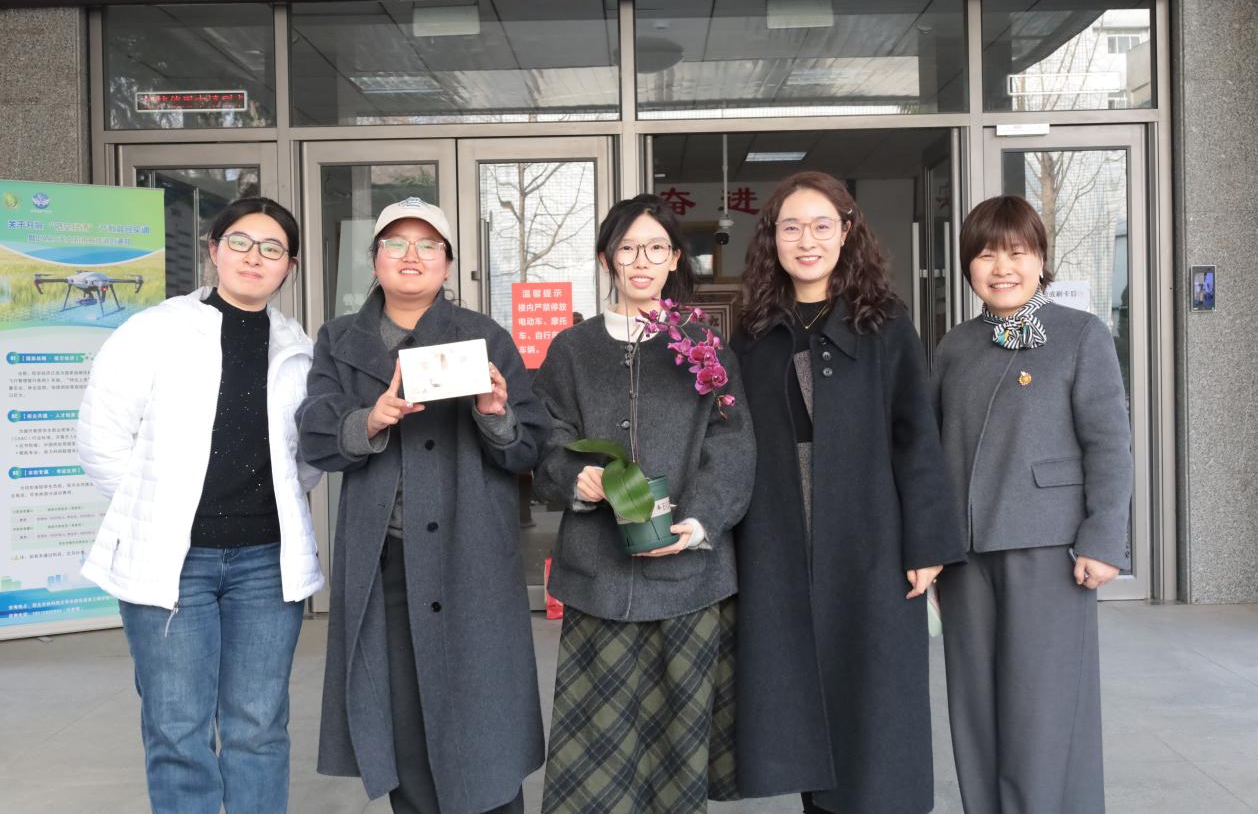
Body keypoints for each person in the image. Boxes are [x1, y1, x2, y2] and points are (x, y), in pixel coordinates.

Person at [297, 197, 549, 814]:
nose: (411, 256)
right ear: (374, 260)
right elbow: (317, 435)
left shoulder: (484, 337)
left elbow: (531, 446)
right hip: (385, 559)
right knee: (401, 719)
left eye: (428, 245)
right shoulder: (339, 340)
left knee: (482, 716)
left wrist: (496, 416)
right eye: (395, 243)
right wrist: (370, 419)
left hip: (472, 558)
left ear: (448, 264)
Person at [77, 196, 323, 814]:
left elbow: (307, 456)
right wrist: (158, 515)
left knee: (258, 724)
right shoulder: (154, 331)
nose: (254, 257)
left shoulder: (297, 346)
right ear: (214, 250)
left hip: (266, 563)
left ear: (289, 266)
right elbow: (102, 440)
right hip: (173, 562)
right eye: (240, 242)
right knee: (177, 727)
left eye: (272, 248)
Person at [730, 171, 964, 814]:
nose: (806, 241)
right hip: (778, 533)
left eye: (821, 225)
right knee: (800, 696)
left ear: (847, 231)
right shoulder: (752, 330)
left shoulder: (885, 323)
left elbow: (916, 436)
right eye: (791, 227)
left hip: (871, 532)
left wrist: (927, 543)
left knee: (873, 695)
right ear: (772, 238)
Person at [532, 193, 755, 814]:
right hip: (598, 576)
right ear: (607, 258)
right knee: (595, 755)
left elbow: (732, 445)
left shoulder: (704, 347)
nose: (641, 261)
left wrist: (700, 520)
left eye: (656, 248)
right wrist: (574, 478)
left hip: (688, 577)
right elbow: (546, 436)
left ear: (675, 258)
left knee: (677, 746)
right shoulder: (573, 350)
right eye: (627, 248)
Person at [933, 195, 1131, 814]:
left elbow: (1109, 443)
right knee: (974, 702)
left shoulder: (1080, 334)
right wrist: (932, 546)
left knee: (1041, 705)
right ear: (968, 265)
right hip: (967, 551)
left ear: (1041, 258)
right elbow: (931, 451)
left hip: (1050, 546)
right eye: (986, 254)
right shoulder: (954, 345)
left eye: (1016, 252)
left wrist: (1104, 538)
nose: (1001, 268)